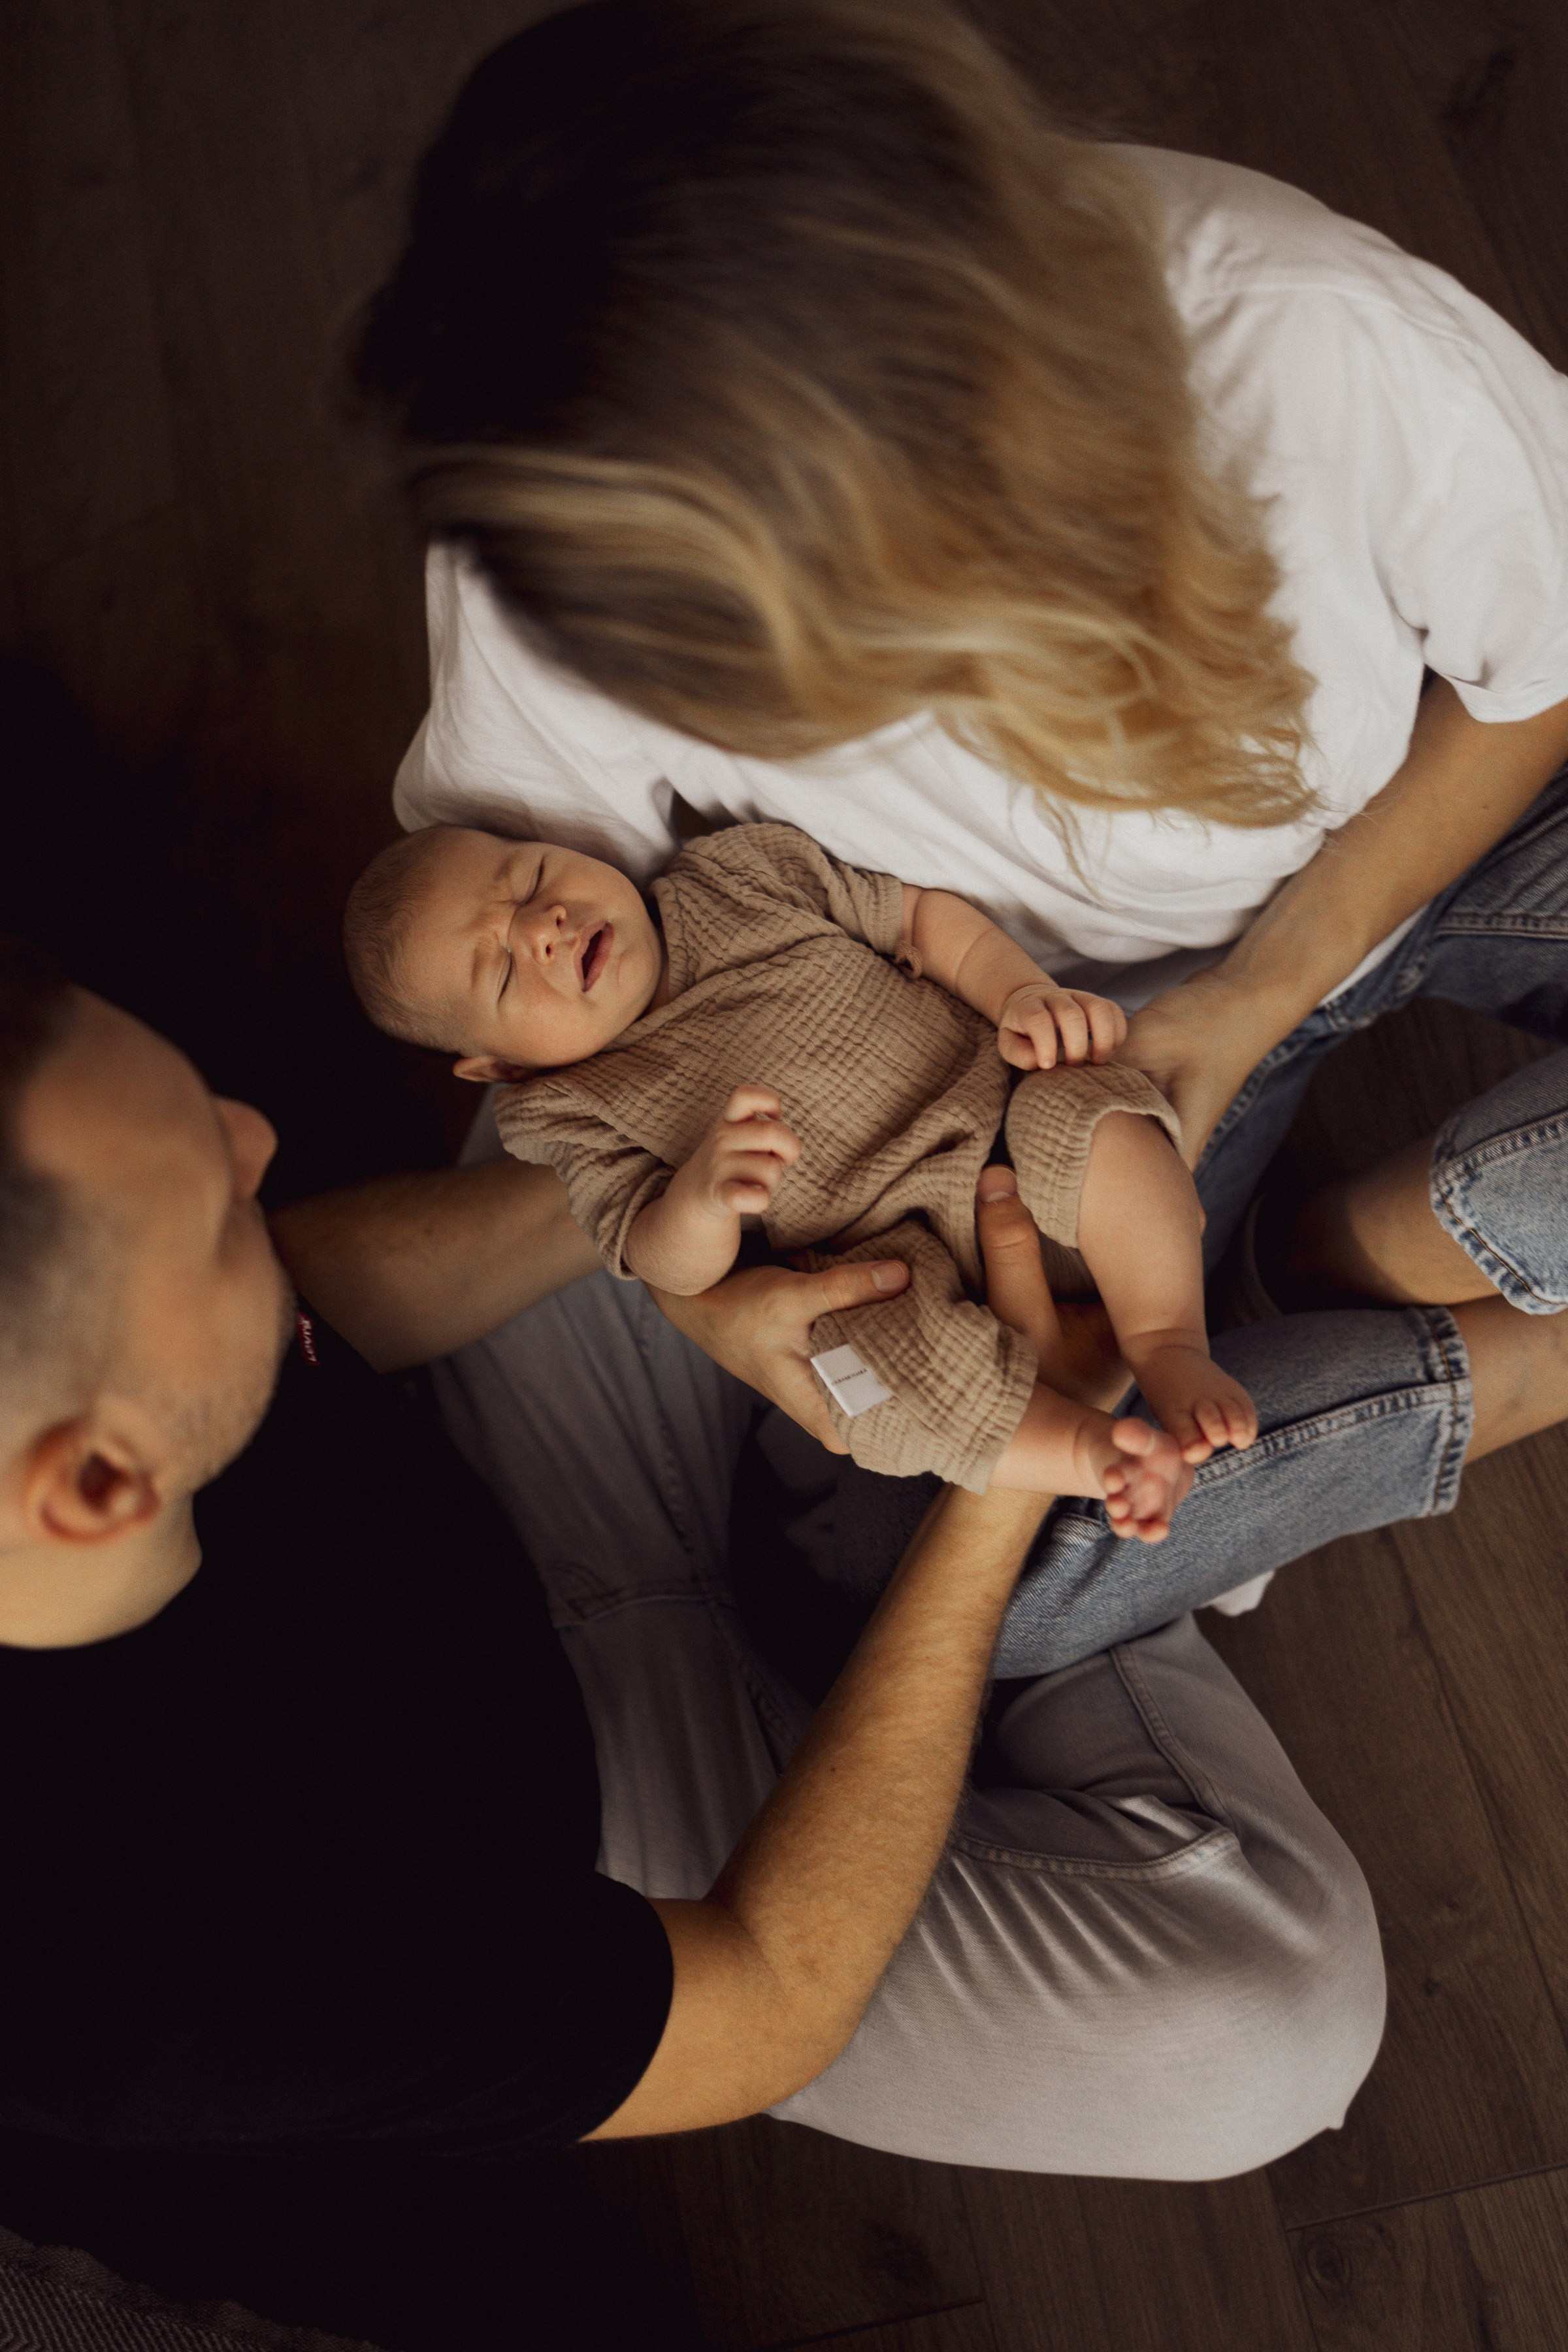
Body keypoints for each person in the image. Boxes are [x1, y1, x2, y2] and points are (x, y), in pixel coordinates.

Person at [353, 0, 1568, 1338]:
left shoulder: (1311, 345)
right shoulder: (558, 533)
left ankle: (1349, 1265)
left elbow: (1541, 671)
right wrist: (711, 1302)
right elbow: (508, 967)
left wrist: (1262, 994)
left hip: (1438, 832)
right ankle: (1310, 1290)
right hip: (1021, 1035)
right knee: (1043, 1480)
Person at [342, 817, 1255, 1523]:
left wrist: (1019, 992)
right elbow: (658, 1259)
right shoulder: (564, 1108)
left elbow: (922, 921)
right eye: (500, 972)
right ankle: (1095, 1455)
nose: (543, 927)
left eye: (531, 875)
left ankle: (1170, 1341)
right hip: (885, 1256)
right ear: (496, 1066)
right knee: (849, 1370)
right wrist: (698, 1198)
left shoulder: (734, 875)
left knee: (1092, 1109)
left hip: (998, 1116)